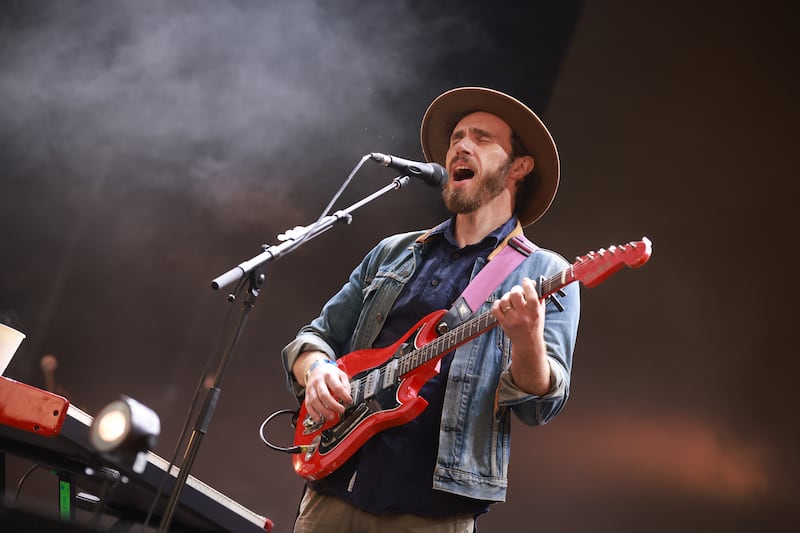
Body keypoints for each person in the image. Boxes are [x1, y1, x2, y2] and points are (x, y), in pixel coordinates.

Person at [281, 87, 580, 532]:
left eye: (481, 139)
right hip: (333, 490)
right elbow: (316, 336)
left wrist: (527, 339)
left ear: (519, 167)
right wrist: (318, 370)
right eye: (457, 137)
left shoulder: (543, 272)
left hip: (432, 511)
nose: (461, 145)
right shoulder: (394, 252)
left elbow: (540, 405)